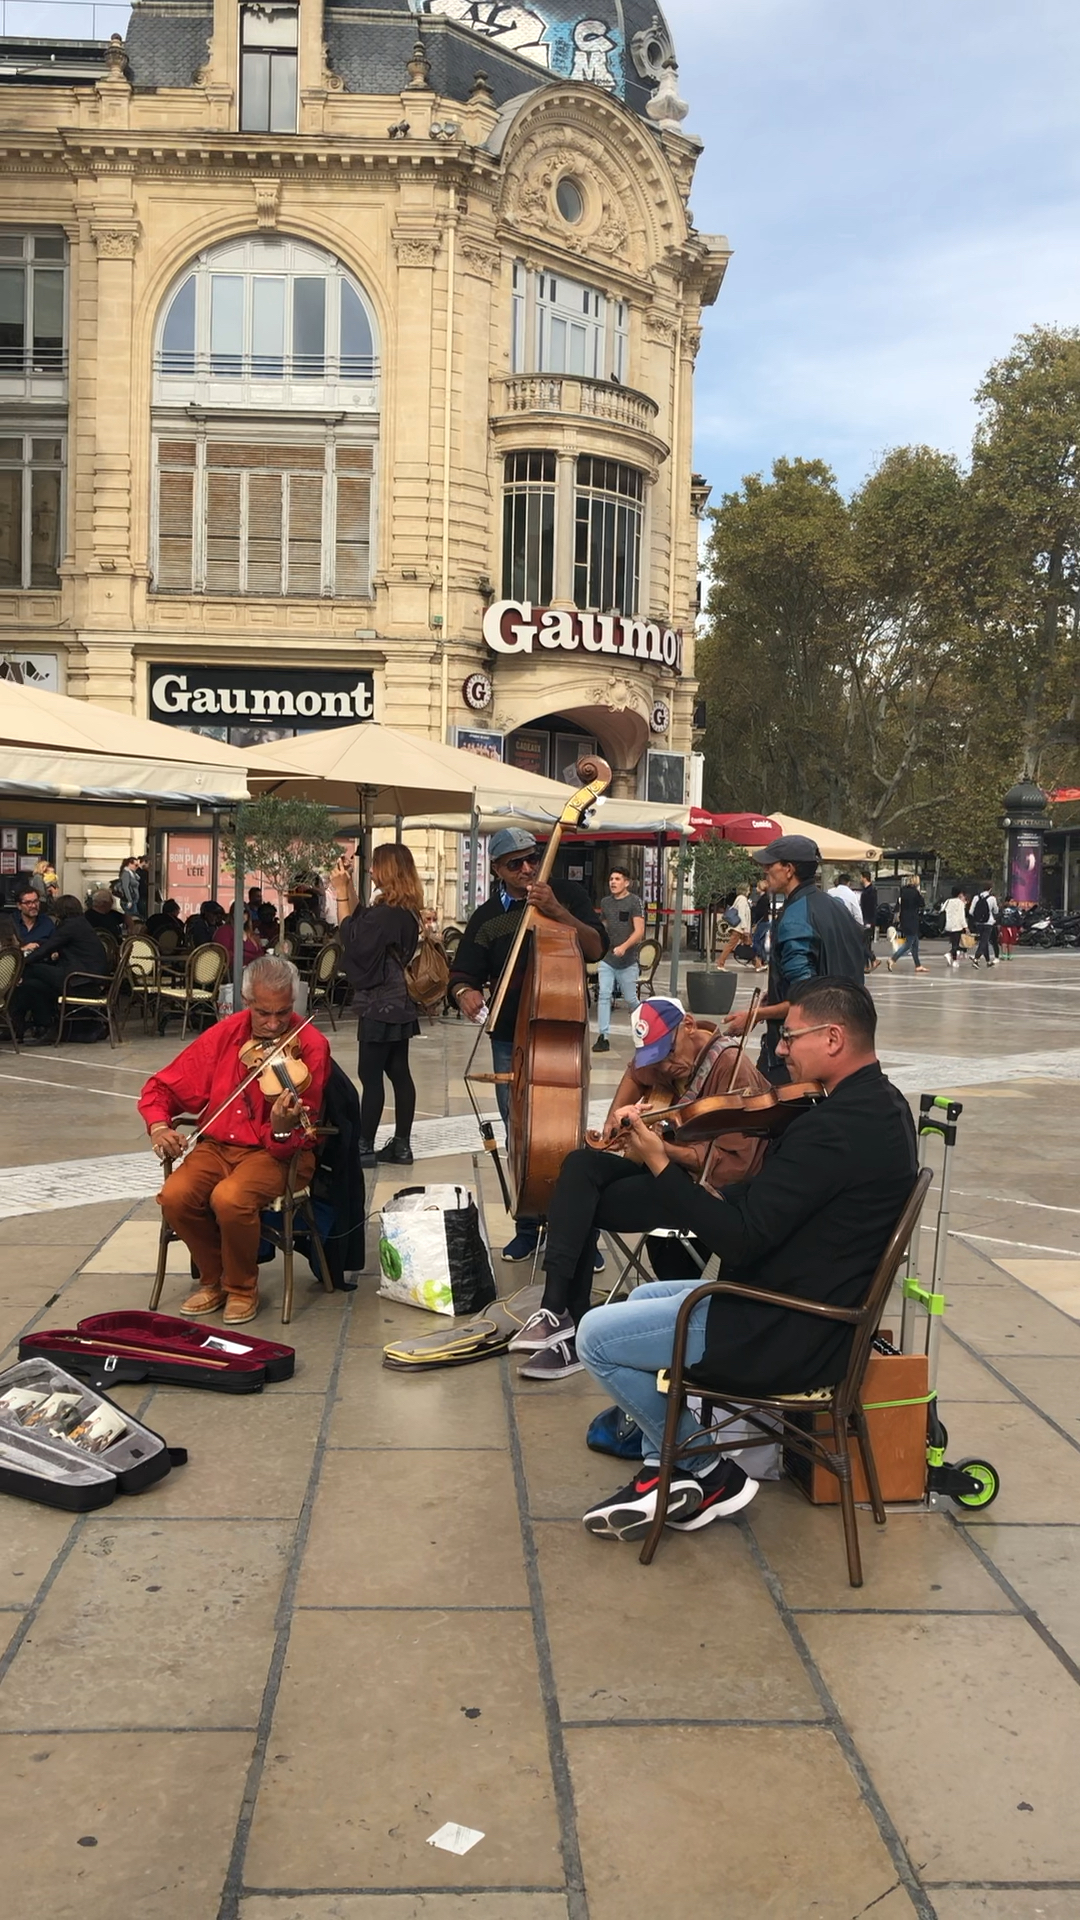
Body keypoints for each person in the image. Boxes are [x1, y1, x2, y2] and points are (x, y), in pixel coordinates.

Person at [575, 977, 918, 1541]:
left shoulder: (835, 1129)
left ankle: (704, 1470)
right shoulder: (877, 1106)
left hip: (783, 1327)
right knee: (640, 1297)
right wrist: (697, 1182)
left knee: (595, 1337)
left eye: (791, 1037)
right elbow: (767, 1207)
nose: (780, 1049)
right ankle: (668, 1465)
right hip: (803, 1304)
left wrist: (661, 1163)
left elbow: (740, 1239)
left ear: (833, 1038)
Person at [508, 996, 771, 1380]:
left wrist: (661, 1148)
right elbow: (636, 1073)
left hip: (703, 1187)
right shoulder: (659, 1062)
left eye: (667, 1054)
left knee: (583, 1203)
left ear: (690, 1025)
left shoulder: (731, 1068)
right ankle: (555, 1309)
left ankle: (572, 1324)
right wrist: (617, 1120)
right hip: (662, 1165)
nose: (663, 1066)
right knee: (579, 1166)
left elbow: (735, 1166)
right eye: (655, 1058)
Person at [138, 954, 331, 1325]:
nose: (274, 1026)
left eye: (283, 1013)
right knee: (175, 1196)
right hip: (215, 1146)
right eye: (263, 1014)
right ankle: (214, 1280)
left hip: (276, 1156)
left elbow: (296, 1140)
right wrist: (160, 1126)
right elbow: (163, 1086)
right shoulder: (227, 1032)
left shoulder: (310, 1045)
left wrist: (280, 1126)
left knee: (230, 1198)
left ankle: (243, 1288)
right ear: (247, 1003)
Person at [448, 826, 607, 1262]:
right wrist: (464, 994)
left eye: (532, 859)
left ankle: (580, 1234)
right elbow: (461, 972)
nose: (527, 869)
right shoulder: (487, 917)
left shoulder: (567, 895)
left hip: (561, 1033)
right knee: (519, 1133)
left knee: (568, 1140)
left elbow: (596, 949)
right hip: (510, 1038)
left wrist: (558, 910)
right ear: (497, 869)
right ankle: (528, 1223)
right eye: (514, 863)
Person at [723, 835, 866, 1081]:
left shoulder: (794, 918)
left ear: (789, 869)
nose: (765, 870)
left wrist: (755, 1015)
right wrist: (777, 992)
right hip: (847, 1042)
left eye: (771, 864)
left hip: (802, 1052)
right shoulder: (836, 907)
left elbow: (807, 1001)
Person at [343, 843, 426, 1168]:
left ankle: (364, 1145)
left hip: (378, 1004)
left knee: (370, 1075)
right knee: (399, 1073)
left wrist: (339, 892)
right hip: (400, 1004)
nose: (370, 871)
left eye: (375, 866)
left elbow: (352, 938)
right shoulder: (403, 911)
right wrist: (346, 886)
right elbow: (361, 918)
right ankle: (401, 1146)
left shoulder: (386, 914)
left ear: (388, 870)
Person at [9, 895, 109, 1044]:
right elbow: (55, 943)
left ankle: (17, 1022)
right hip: (89, 980)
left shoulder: (69, 926)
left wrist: (20, 964)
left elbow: (48, 947)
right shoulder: (80, 924)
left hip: (80, 980)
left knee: (32, 970)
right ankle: (44, 1026)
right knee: (32, 985)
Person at [593, 866, 645, 1053]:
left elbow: (639, 931)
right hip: (607, 958)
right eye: (611, 879)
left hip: (628, 960)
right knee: (604, 995)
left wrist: (623, 947)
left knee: (631, 999)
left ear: (626, 882)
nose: (613, 882)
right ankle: (603, 1036)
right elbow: (604, 924)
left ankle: (643, 1031)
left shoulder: (634, 902)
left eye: (617, 879)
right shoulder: (606, 902)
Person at [888, 875, 927, 974]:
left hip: (904, 918)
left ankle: (918, 965)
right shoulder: (915, 892)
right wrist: (920, 894)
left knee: (915, 943)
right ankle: (893, 959)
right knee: (909, 943)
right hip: (912, 919)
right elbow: (922, 904)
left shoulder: (903, 891)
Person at [714, 885, 753, 969]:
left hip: (740, 928)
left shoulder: (740, 899)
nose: (749, 892)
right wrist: (745, 928)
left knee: (748, 945)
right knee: (730, 946)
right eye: (748, 890)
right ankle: (720, 963)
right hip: (739, 928)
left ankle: (757, 964)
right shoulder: (742, 899)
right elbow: (742, 914)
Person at [11, 883, 55, 949]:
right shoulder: (10, 922)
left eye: (36, 901)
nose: (34, 906)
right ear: (19, 906)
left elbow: (55, 945)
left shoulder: (47, 923)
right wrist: (22, 949)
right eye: (28, 903)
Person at [970, 884, 999, 969]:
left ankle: (988, 961)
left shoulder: (976, 897)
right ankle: (976, 958)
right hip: (988, 923)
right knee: (984, 941)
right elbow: (996, 911)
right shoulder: (992, 898)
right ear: (990, 889)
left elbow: (971, 911)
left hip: (978, 923)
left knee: (984, 941)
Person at [858, 870, 880, 971]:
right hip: (866, 919)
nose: (860, 879)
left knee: (863, 942)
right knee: (866, 943)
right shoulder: (867, 890)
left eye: (861, 877)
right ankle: (866, 964)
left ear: (864, 877)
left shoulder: (870, 891)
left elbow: (871, 907)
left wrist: (869, 922)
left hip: (868, 920)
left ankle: (872, 959)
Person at [943, 887, 969, 969]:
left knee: (954, 943)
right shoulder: (960, 903)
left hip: (949, 925)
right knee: (956, 943)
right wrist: (966, 927)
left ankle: (953, 959)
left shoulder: (948, 901)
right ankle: (950, 955)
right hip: (957, 926)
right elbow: (962, 917)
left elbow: (942, 910)